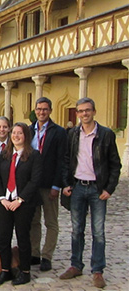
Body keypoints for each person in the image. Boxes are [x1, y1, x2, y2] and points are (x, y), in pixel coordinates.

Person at [60, 97, 121, 289]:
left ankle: (97, 270)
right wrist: (66, 184)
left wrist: (109, 188)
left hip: (97, 189)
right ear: (77, 113)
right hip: (78, 186)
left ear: (94, 112)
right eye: (80, 111)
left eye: (87, 110)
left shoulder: (106, 134)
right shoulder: (73, 134)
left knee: (99, 232)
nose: (84, 114)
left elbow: (115, 164)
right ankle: (76, 265)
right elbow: (66, 160)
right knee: (77, 230)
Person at [0, 123, 42, 286]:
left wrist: (20, 200)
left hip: (23, 203)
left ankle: (25, 271)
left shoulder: (34, 155)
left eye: (20, 133)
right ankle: (5, 270)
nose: (16, 136)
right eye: (13, 133)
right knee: (3, 237)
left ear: (26, 136)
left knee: (23, 237)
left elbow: (35, 180)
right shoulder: (5, 154)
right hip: (5, 202)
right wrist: (2, 198)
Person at [29, 97, 67, 271]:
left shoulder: (58, 132)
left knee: (51, 222)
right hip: (33, 184)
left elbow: (62, 160)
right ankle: (34, 253)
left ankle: (47, 256)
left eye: (45, 109)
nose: (41, 112)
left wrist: (57, 185)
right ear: (35, 110)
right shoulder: (28, 130)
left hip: (50, 184)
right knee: (33, 221)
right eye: (39, 109)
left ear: (50, 110)